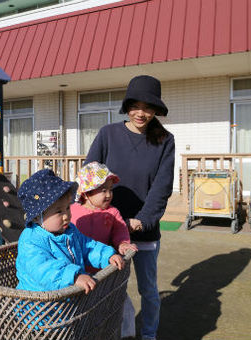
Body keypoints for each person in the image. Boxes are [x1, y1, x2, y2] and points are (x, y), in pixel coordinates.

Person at [85, 75, 175, 340]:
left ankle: (148, 335)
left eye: (148, 107)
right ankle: (110, 332)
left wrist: (141, 220)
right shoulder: (108, 134)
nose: (141, 113)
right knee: (106, 287)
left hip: (142, 230)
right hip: (105, 229)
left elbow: (162, 188)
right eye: (135, 105)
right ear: (127, 106)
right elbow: (90, 175)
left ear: (156, 109)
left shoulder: (164, 141)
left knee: (148, 289)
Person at [15, 169, 125, 294]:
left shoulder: (69, 230)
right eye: (58, 211)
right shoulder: (31, 240)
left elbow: (87, 246)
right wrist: (73, 277)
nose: (66, 215)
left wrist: (107, 255)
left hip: (67, 298)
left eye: (67, 208)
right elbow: (43, 269)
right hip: (38, 306)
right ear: (36, 217)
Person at [70, 161, 138, 338]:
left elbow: (120, 230)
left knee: (122, 306)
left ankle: (125, 335)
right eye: (103, 190)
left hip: (105, 270)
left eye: (110, 189)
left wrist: (122, 243)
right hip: (80, 272)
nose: (108, 194)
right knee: (85, 313)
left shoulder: (112, 212)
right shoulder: (72, 212)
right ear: (86, 192)